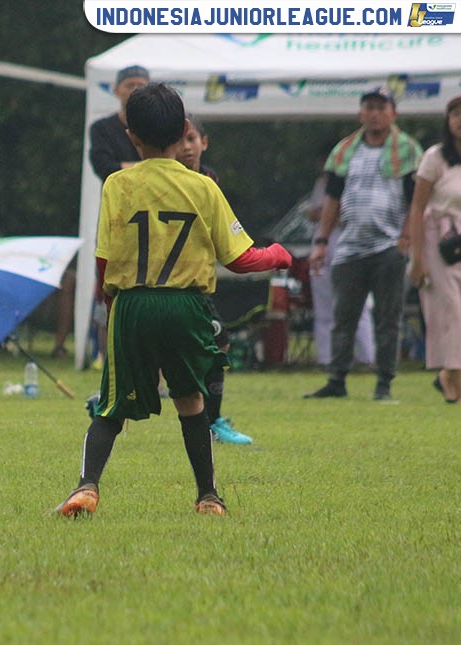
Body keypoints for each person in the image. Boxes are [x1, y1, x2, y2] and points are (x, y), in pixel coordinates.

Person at [56, 83, 292, 519]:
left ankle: (87, 486)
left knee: (111, 406)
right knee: (191, 400)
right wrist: (277, 254)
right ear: (185, 130)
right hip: (186, 305)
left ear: (132, 137)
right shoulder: (203, 187)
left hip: (133, 304)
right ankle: (208, 497)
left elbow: (105, 259)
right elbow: (240, 259)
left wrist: (112, 308)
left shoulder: (117, 184)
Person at [305, 87, 422, 402]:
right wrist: (321, 242)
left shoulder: (409, 151)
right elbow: (332, 200)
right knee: (344, 318)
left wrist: (406, 239)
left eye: (381, 107)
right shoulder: (344, 151)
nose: (374, 113)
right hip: (349, 247)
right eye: (369, 107)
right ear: (360, 113)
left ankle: (383, 384)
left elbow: (416, 202)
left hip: (389, 248)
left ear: (393, 113)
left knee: (388, 319)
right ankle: (337, 380)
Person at [68, 65, 152, 364]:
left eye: (142, 85)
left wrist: (126, 167)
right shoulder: (102, 129)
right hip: (117, 218)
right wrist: (147, 169)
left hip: (155, 219)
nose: (135, 90)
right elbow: (105, 168)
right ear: (116, 90)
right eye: (129, 84)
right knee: (110, 284)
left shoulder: (157, 127)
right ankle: (107, 352)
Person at [176, 114, 252, 445]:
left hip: (197, 284)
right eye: (180, 140)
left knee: (217, 341)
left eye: (192, 139)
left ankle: (213, 421)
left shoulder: (210, 180)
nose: (187, 147)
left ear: (204, 142)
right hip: (172, 284)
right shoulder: (167, 179)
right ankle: (107, 403)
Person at [408, 94, 461, 403]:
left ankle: (448, 378)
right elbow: (417, 208)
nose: (460, 119)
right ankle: (451, 380)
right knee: (452, 311)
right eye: (455, 114)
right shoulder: (435, 157)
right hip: (437, 241)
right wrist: (417, 259)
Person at [305, 148, 376, 369]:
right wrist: (323, 214)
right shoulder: (321, 183)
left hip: (349, 245)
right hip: (322, 245)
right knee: (324, 305)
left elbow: (348, 214)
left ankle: (367, 357)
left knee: (358, 304)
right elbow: (314, 212)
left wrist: (328, 214)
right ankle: (326, 358)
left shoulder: (356, 182)